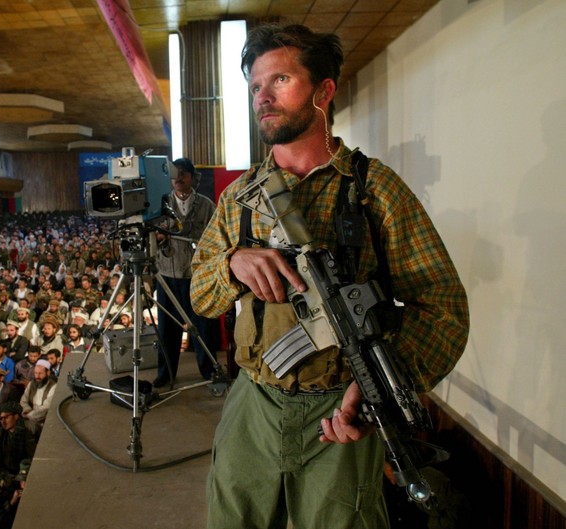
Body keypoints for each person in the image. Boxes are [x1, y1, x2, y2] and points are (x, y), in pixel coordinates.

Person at [189, 24, 470, 529]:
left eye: (280, 80)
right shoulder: (239, 199)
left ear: (323, 91)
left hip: (340, 413)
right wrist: (233, 263)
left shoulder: (375, 190)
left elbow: (444, 307)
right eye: (255, 86)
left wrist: (382, 386)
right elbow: (201, 296)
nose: (263, 97)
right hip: (254, 402)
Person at [152, 157, 218, 388]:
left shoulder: (207, 205)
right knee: (166, 329)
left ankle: (209, 370)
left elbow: (216, 238)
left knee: (203, 327)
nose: (178, 178)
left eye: (183, 173)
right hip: (167, 276)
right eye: (174, 174)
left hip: (197, 277)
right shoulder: (159, 205)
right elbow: (151, 238)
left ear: (192, 177)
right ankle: (166, 373)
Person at [19, 359, 56, 437]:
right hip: (29, 417)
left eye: (40, 373)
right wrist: (27, 410)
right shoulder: (32, 384)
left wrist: (28, 416)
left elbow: (46, 408)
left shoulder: (53, 386)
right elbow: (23, 401)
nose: (37, 376)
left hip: (44, 422)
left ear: (48, 373)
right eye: (36, 373)